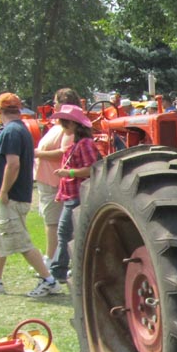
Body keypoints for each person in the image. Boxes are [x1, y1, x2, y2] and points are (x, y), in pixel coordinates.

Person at [0, 92, 62, 296]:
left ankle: (49, 281)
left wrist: (3, 192)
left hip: (10, 197)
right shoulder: (19, 129)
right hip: (9, 196)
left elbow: (13, 164)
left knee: (21, 242)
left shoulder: (11, 131)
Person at [49, 104, 100, 285]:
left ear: (72, 124)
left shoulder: (85, 144)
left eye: (64, 123)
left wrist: (69, 174)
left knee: (65, 233)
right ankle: (62, 270)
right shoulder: (78, 143)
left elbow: (91, 170)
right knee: (67, 234)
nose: (62, 127)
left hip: (78, 196)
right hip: (72, 196)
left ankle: (58, 272)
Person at [34, 87, 81, 265]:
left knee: (54, 222)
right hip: (50, 179)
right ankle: (57, 258)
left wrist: (38, 154)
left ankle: (52, 258)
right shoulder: (60, 125)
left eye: (55, 102)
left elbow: (65, 152)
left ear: (63, 104)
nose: (53, 105)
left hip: (56, 181)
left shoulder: (69, 126)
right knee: (54, 221)